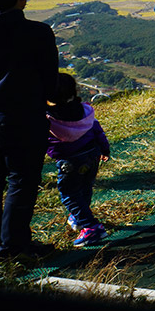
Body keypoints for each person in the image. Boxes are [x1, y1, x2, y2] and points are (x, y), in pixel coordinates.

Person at [0, 0, 59, 261]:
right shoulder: (38, 33)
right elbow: (50, 82)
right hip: (23, 119)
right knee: (21, 182)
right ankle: (13, 248)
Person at [46, 72, 110, 247]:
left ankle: (91, 226)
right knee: (84, 187)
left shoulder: (49, 117)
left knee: (69, 194)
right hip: (92, 154)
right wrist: (105, 148)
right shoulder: (84, 110)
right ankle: (80, 216)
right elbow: (97, 128)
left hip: (70, 162)